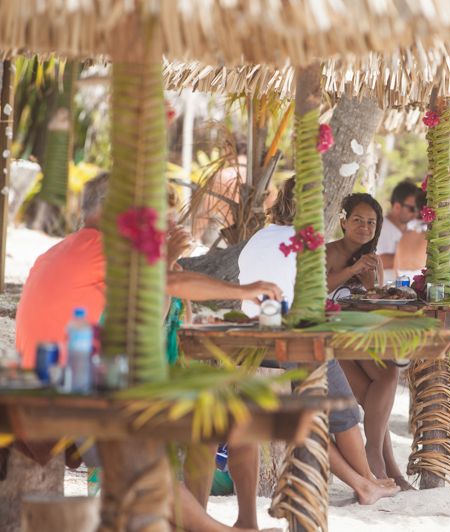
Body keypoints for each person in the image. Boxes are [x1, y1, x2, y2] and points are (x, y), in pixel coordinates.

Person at [15, 172, 280, 532]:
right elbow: (164, 292)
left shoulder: (65, 250)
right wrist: (246, 290)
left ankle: (213, 522)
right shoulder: (107, 248)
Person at [239, 179, 400, 503]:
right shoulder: (308, 244)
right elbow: (309, 299)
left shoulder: (259, 236)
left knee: (346, 398)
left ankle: (367, 478)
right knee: (340, 410)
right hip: (295, 339)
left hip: (253, 336)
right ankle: (365, 480)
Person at [326, 194, 411, 490]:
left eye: (371, 222)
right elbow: (318, 288)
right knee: (383, 389)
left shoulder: (372, 260)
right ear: (344, 222)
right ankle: (379, 459)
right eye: (358, 220)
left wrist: (371, 283)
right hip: (330, 337)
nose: (364, 227)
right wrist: (351, 270)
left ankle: (384, 462)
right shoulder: (328, 253)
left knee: (387, 382)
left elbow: (375, 301)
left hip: (361, 335)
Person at [376, 180, 422, 283]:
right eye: (412, 209)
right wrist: (415, 257)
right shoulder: (380, 229)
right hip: (388, 289)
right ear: (397, 206)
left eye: (418, 208)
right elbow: (379, 261)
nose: (416, 213)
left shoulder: (413, 227)